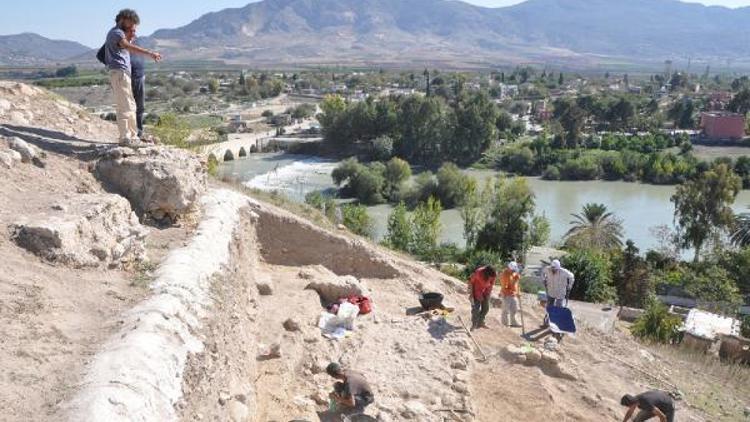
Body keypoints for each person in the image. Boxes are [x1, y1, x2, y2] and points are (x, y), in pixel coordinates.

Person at [104, 9, 161, 146]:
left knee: (129, 105)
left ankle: (132, 136)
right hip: (120, 73)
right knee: (126, 106)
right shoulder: (117, 33)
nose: (132, 27)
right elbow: (126, 46)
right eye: (131, 24)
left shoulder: (117, 33)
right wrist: (150, 53)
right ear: (123, 19)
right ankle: (126, 138)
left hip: (121, 74)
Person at [125, 26, 146, 140]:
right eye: (131, 30)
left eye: (135, 31)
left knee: (140, 107)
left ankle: (139, 132)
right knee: (128, 107)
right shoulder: (118, 41)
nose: (134, 33)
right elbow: (102, 55)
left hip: (140, 77)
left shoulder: (137, 41)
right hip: (126, 78)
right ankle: (129, 134)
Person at [541, 259, 574, 327]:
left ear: (558, 268)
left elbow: (572, 277)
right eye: (552, 268)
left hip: (560, 293)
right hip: (551, 291)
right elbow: (542, 272)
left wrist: (569, 286)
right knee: (549, 307)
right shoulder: (548, 269)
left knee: (559, 308)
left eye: (555, 269)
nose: (553, 270)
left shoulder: (564, 272)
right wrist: (543, 279)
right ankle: (546, 322)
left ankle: (558, 325)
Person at [468, 265, 497, 330]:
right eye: (490, 276)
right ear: (486, 273)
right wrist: (471, 294)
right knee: (475, 309)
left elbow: (491, 284)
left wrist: (488, 294)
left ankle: (480, 322)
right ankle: (474, 324)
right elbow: (471, 282)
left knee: (486, 308)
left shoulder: (493, 274)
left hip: (485, 291)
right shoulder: (478, 272)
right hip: (476, 290)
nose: (491, 277)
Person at [500, 261, 522, 327]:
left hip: (513, 294)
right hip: (506, 294)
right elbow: (506, 287)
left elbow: (516, 284)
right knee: (505, 310)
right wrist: (515, 281)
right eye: (512, 270)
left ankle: (514, 322)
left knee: (515, 309)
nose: (513, 271)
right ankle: (505, 323)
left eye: (514, 270)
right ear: (509, 268)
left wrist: (518, 292)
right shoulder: (505, 275)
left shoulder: (513, 272)